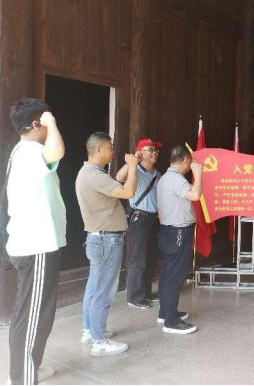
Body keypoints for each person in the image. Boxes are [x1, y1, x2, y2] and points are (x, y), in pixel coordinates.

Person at [6, 98, 66, 385]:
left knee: (37, 314)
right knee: (31, 317)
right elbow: (58, 149)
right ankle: (21, 378)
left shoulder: (26, 153)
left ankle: (29, 369)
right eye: (45, 120)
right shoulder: (30, 152)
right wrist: (50, 119)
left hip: (38, 245)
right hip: (36, 246)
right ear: (35, 123)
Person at [75, 132, 138, 356]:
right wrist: (132, 167)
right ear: (98, 149)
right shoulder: (94, 175)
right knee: (104, 291)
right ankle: (99, 341)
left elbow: (117, 186)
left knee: (94, 287)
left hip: (98, 238)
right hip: (107, 240)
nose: (113, 151)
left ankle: (89, 331)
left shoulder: (88, 173)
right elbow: (128, 192)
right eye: (110, 147)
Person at [156, 146, 203, 334]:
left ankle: (165, 312)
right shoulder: (176, 179)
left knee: (168, 273)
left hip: (168, 231)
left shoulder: (164, 178)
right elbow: (195, 195)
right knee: (174, 276)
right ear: (186, 160)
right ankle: (171, 322)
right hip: (178, 232)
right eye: (191, 162)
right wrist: (198, 175)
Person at [116, 138, 162, 309]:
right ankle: (134, 297)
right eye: (150, 149)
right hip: (139, 218)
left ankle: (146, 292)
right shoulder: (134, 169)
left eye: (155, 150)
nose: (154, 152)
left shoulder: (157, 174)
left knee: (151, 258)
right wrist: (132, 161)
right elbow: (119, 177)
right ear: (141, 152)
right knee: (138, 258)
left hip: (154, 219)